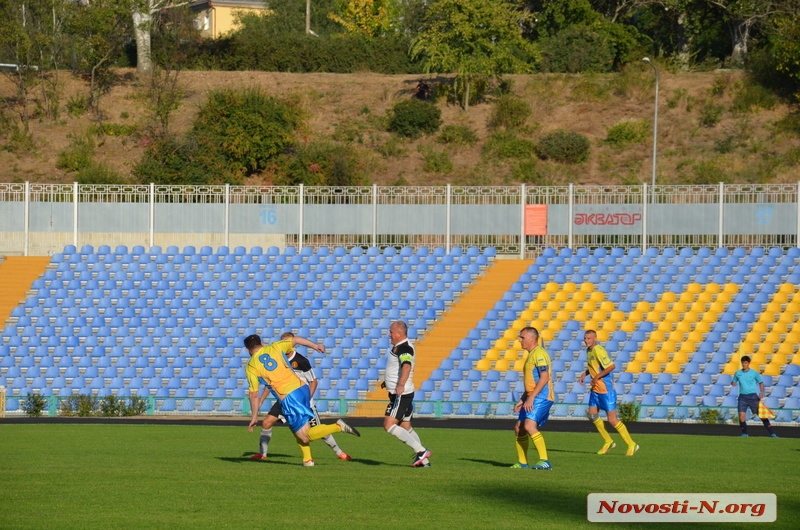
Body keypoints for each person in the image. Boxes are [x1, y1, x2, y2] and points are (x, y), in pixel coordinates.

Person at [243, 333, 361, 465]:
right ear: (262, 343)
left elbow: (253, 394)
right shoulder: (275, 346)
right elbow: (296, 339)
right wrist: (315, 346)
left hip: (288, 397)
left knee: (305, 436)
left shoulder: (251, 367)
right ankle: (307, 460)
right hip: (302, 388)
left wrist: (254, 417)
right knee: (297, 429)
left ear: (248, 350)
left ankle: (338, 426)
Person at [581, 329, 639, 456]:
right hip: (595, 390)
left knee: (612, 420)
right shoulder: (589, 351)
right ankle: (608, 441)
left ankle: (631, 444)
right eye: (585, 338)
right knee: (592, 415)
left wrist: (596, 377)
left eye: (589, 338)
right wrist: (585, 374)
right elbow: (594, 366)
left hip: (605, 390)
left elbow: (611, 366)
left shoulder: (598, 350)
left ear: (595, 338)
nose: (586, 341)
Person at [382, 320, 431, 467]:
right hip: (403, 392)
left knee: (389, 425)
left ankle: (421, 451)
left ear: (398, 333)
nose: (389, 334)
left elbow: (406, 365)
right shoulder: (399, 347)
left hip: (401, 394)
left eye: (391, 332)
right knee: (406, 427)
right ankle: (424, 461)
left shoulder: (405, 348)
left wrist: (400, 384)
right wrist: (388, 381)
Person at [511, 326, 554, 470]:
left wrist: (531, 398)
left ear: (531, 338)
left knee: (529, 425)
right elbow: (531, 382)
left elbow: (544, 377)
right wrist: (523, 398)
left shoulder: (540, 354)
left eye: (522, 337)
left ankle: (545, 461)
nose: (519, 340)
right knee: (519, 428)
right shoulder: (531, 355)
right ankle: (523, 463)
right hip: (532, 396)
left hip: (542, 396)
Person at [732, 355, 778, 438]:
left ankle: (772, 433)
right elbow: (734, 382)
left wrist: (761, 392)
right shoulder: (738, 373)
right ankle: (744, 434)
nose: (744, 364)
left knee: (762, 416)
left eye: (746, 363)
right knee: (742, 417)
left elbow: (761, 383)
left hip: (753, 397)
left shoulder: (754, 373)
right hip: (742, 397)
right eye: (743, 363)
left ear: (748, 363)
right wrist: (733, 383)